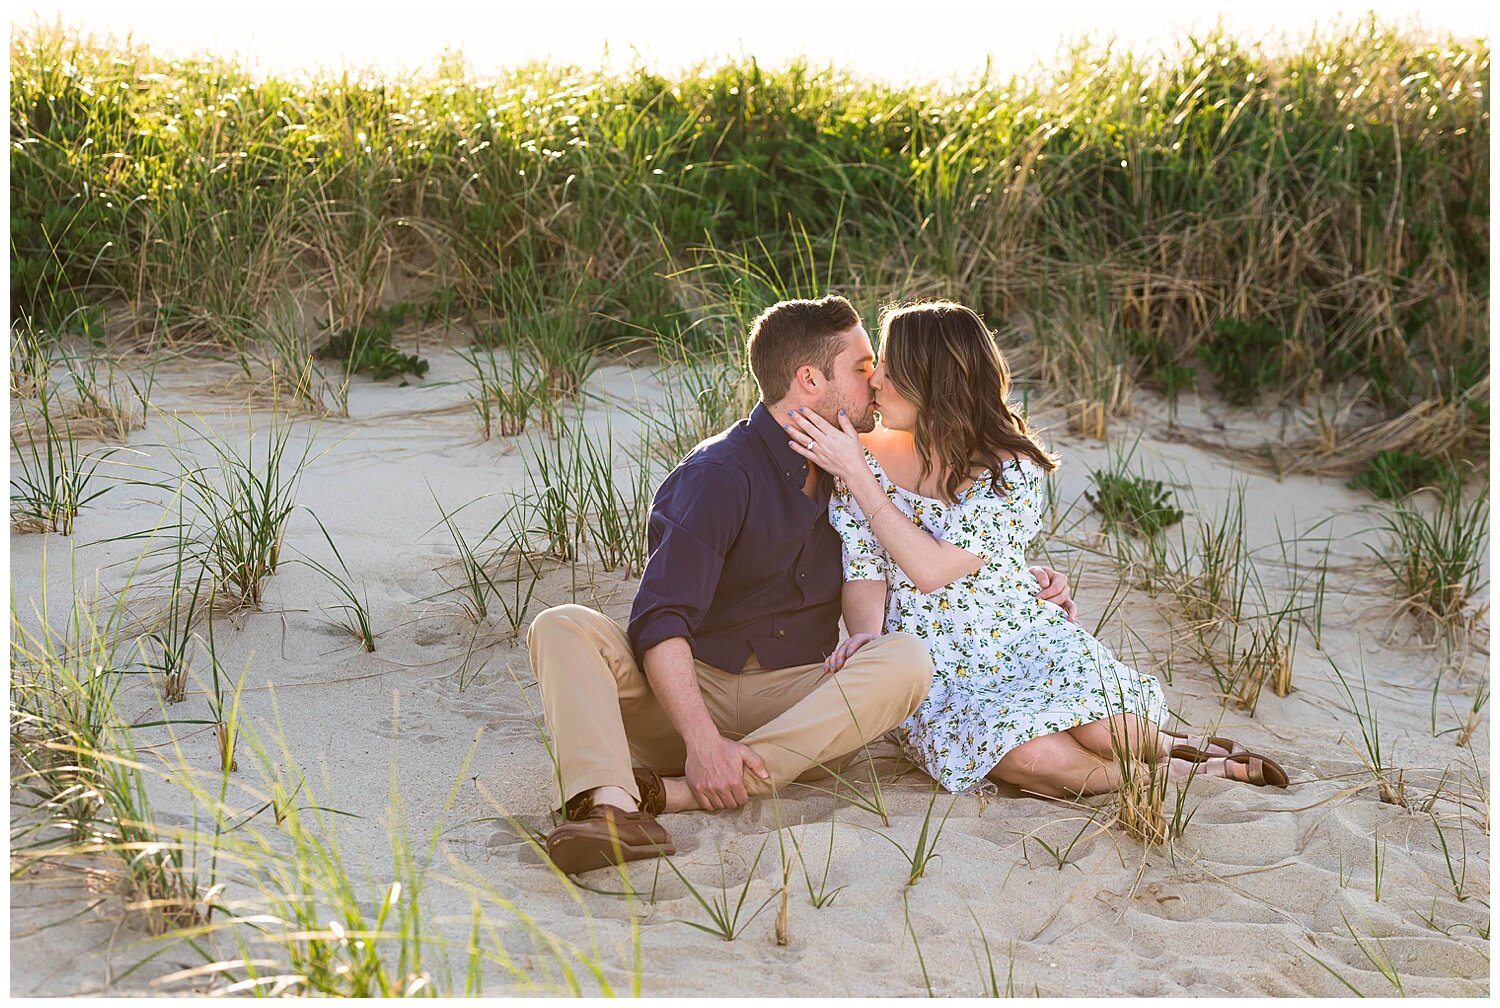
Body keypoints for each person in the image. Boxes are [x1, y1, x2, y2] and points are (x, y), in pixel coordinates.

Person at [529, 295, 1077, 874]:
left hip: (801, 708)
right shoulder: (717, 475)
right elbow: (660, 620)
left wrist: (1027, 576)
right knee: (562, 624)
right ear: (810, 379)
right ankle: (611, 811)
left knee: (906, 662)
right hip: (691, 697)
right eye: (864, 368)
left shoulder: (862, 466)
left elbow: (946, 531)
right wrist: (701, 742)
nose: (878, 380)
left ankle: (686, 788)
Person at [785, 301, 1290, 799]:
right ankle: (1181, 775)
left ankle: (1172, 746)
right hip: (935, 667)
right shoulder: (860, 457)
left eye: (891, 370)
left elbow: (932, 568)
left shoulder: (1010, 469)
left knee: (1110, 735)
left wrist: (857, 476)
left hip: (1014, 639)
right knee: (1034, 757)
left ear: (932, 382)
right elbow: (865, 562)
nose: (875, 382)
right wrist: (870, 638)